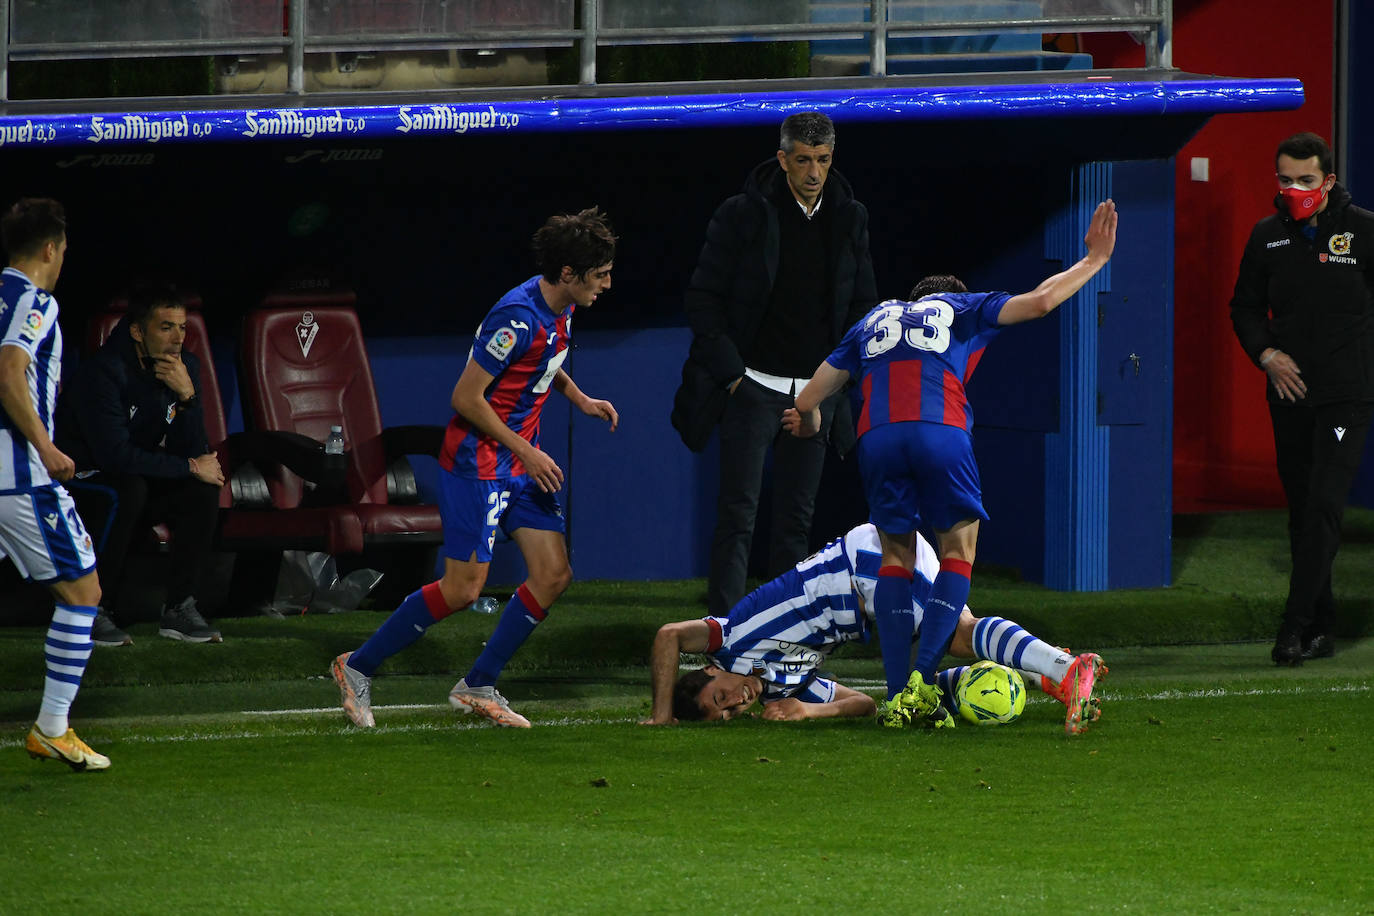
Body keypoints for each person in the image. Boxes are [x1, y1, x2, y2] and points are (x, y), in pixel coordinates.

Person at [783, 200, 1118, 721]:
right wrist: (1095, 260)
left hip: (879, 437)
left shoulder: (873, 320)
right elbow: (1040, 303)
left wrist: (811, 422)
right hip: (940, 430)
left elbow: (808, 399)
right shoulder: (963, 308)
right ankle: (924, 680)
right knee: (958, 552)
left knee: (894, 555)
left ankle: (897, 698)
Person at [331, 207, 619, 729]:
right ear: (570, 274)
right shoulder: (517, 316)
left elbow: (544, 362)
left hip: (521, 461)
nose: (607, 283)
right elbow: (466, 397)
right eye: (599, 275)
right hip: (479, 463)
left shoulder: (560, 304)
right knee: (463, 590)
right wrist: (527, 452)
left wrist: (579, 397)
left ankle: (479, 684)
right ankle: (356, 666)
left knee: (553, 575)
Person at [676, 110, 877, 618]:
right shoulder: (742, 213)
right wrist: (733, 377)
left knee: (795, 520)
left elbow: (862, 305)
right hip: (753, 387)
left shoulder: (849, 216)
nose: (814, 172)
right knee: (738, 516)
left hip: (817, 389)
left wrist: (835, 381)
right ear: (783, 159)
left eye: (824, 160)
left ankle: (784, 631)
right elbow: (703, 298)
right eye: (804, 160)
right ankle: (722, 632)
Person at [641, 522, 1106, 734]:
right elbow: (863, 704)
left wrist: (662, 714)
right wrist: (809, 712)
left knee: (958, 635)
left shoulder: (732, 640)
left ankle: (1067, 670)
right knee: (952, 636)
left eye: (719, 697)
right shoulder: (784, 690)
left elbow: (669, 635)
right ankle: (1042, 670)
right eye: (728, 715)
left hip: (858, 566)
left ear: (708, 670)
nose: (735, 703)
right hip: (866, 589)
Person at [1229, 131, 1374, 667]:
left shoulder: (1364, 231)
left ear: (1328, 180)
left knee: (1323, 507)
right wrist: (1266, 354)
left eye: (1306, 180)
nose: (1295, 189)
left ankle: (1292, 630)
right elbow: (1243, 307)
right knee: (1302, 514)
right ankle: (1323, 625)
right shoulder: (1266, 236)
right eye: (1286, 179)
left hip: (1346, 398)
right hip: (1288, 396)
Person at [0, 198, 108, 771]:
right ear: (50, 249)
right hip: (17, 479)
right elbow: (10, 369)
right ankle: (51, 727)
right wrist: (44, 446)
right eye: (63, 250)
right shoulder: (34, 301)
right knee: (82, 593)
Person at [58, 284, 226, 646]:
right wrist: (191, 466)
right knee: (128, 488)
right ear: (138, 330)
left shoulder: (185, 368)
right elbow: (114, 456)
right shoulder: (103, 373)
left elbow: (193, 450)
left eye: (182, 327)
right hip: (79, 480)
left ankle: (180, 607)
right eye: (166, 327)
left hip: (133, 476)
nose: (177, 338)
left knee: (200, 488)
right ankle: (92, 609)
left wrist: (188, 396)